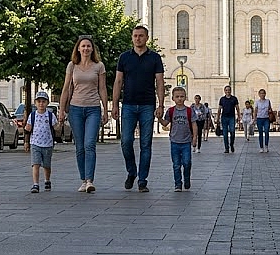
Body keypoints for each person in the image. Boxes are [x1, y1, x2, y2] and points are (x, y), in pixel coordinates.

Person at [111, 25, 165, 193]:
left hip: (147, 105)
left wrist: (161, 104)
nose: (138, 38)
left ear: (146, 38)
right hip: (128, 105)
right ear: (132, 38)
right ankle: (131, 171)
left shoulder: (154, 58)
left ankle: (142, 180)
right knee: (126, 141)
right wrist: (114, 104)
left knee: (145, 144)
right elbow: (118, 81)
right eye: (135, 36)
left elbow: (160, 83)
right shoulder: (124, 57)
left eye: (141, 36)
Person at [58, 35, 109, 193]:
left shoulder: (99, 66)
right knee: (79, 147)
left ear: (92, 49)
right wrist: (61, 110)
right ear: (78, 49)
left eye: (88, 46)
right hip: (75, 109)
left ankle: (89, 180)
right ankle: (83, 179)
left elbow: (102, 88)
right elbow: (66, 88)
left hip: (93, 108)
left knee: (89, 145)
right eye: (83, 46)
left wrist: (105, 109)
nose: (86, 49)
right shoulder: (72, 66)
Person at [160, 86, 194, 191]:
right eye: (177, 96)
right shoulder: (170, 111)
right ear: (173, 98)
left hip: (186, 141)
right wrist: (159, 118)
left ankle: (187, 178)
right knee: (176, 164)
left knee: (187, 162)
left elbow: (194, 124)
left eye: (182, 96)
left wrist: (195, 137)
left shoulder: (189, 111)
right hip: (174, 141)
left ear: (185, 97)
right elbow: (165, 123)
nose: (179, 99)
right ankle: (178, 184)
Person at [25, 91, 60, 193]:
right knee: (35, 164)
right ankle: (35, 184)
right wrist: (26, 142)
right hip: (35, 143)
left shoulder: (50, 116)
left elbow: (56, 128)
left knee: (46, 165)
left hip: (48, 144)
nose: (41, 104)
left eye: (43, 101)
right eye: (39, 101)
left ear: (47, 103)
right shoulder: (32, 116)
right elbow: (28, 129)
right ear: (35, 103)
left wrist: (60, 123)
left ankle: (47, 180)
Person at [216, 85, 240, 153]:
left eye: (228, 90)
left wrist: (238, 116)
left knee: (232, 132)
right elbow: (219, 109)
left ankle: (231, 144)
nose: (227, 91)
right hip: (224, 117)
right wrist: (217, 118)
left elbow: (237, 108)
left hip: (231, 117)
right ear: (224, 91)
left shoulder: (234, 99)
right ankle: (226, 148)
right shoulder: (222, 99)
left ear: (230, 91)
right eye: (226, 90)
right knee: (225, 133)